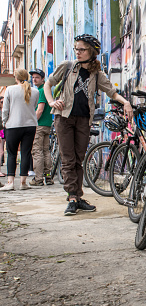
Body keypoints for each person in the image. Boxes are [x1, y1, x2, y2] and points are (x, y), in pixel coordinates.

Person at [44, 34, 133, 215]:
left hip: (84, 120)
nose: (78, 52)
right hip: (64, 118)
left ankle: (77, 196)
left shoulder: (96, 74)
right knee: (68, 159)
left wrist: (126, 102)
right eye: (76, 48)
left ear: (91, 52)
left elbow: (112, 92)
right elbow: (48, 83)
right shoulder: (67, 66)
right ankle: (72, 198)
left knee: (79, 159)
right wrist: (52, 102)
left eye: (82, 49)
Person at [0, 69, 39, 191]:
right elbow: (34, 106)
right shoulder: (35, 91)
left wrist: (4, 122)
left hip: (13, 125)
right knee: (25, 153)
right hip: (30, 125)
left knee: (12, 153)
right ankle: (23, 182)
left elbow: (5, 109)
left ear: (16, 77)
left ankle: (10, 182)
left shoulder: (10, 90)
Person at [29, 69, 54, 186]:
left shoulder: (41, 91)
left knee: (37, 151)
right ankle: (48, 177)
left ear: (42, 79)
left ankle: (38, 179)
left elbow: (40, 109)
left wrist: (33, 122)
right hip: (47, 124)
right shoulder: (45, 89)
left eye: (37, 77)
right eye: (33, 77)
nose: (34, 79)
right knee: (45, 151)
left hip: (39, 125)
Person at [0, 96, 5, 177]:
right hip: (1, 132)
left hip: (4, 131)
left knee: (1, 151)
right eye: (1, 102)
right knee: (1, 152)